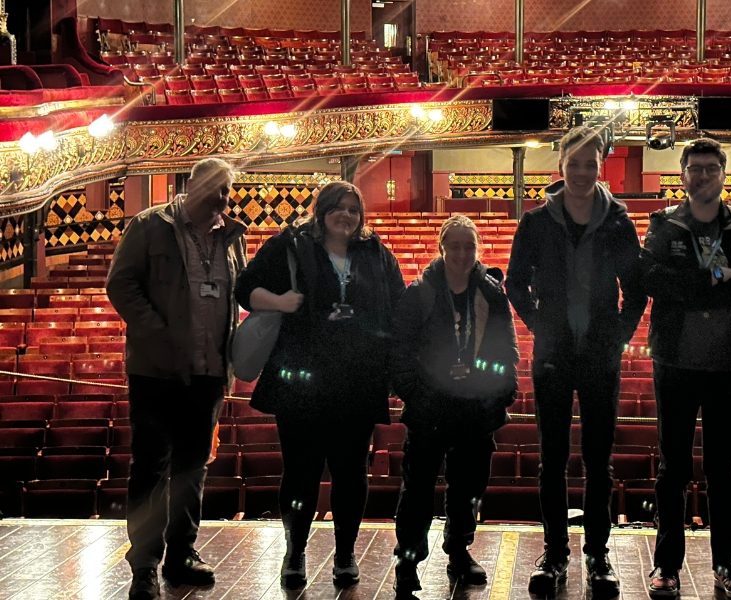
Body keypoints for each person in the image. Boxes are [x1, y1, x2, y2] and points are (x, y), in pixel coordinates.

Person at [234, 181, 404, 590]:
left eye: (353, 209)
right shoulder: (290, 245)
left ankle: (345, 555)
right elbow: (245, 289)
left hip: (357, 381)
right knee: (301, 473)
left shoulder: (375, 252)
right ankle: (294, 553)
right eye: (337, 208)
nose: (345, 216)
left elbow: (399, 307)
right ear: (321, 210)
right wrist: (279, 302)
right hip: (303, 382)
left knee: (350, 474)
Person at [506, 126, 647, 598]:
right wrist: (541, 326)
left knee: (597, 461)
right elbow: (514, 283)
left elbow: (636, 288)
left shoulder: (618, 221)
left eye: (591, 164)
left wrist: (617, 336)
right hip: (554, 353)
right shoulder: (536, 221)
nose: (582, 172)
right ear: (561, 167)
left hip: (599, 356)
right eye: (575, 163)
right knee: (552, 459)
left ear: (599, 167)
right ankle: (554, 551)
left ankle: (598, 554)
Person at [106, 158, 247, 600]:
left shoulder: (232, 236)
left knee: (192, 469)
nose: (224, 199)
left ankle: (182, 554)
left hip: (208, 371)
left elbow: (235, 297)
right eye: (217, 189)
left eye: (228, 192)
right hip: (157, 370)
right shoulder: (151, 226)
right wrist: (158, 334)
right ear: (195, 185)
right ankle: (144, 563)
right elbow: (121, 285)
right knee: (151, 467)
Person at [637, 138, 731, 600]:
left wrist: (691, 284)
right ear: (683, 174)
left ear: (723, 174)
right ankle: (666, 567)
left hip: (729, 362)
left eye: (711, 168)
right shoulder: (664, 224)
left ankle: (728, 564)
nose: (703, 175)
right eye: (695, 168)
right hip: (675, 361)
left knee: (721, 469)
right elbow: (651, 279)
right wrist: (715, 276)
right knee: (672, 469)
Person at [390, 215, 519, 596]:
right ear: (441, 247)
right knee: (417, 489)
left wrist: (496, 395)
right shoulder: (420, 292)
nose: (462, 253)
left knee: (469, 487)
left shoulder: (492, 292)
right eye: (455, 245)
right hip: (430, 406)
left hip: (475, 408)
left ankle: (459, 551)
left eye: (469, 246)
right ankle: (408, 560)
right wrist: (415, 393)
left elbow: (505, 350)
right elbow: (400, 351)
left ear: (477, 249)